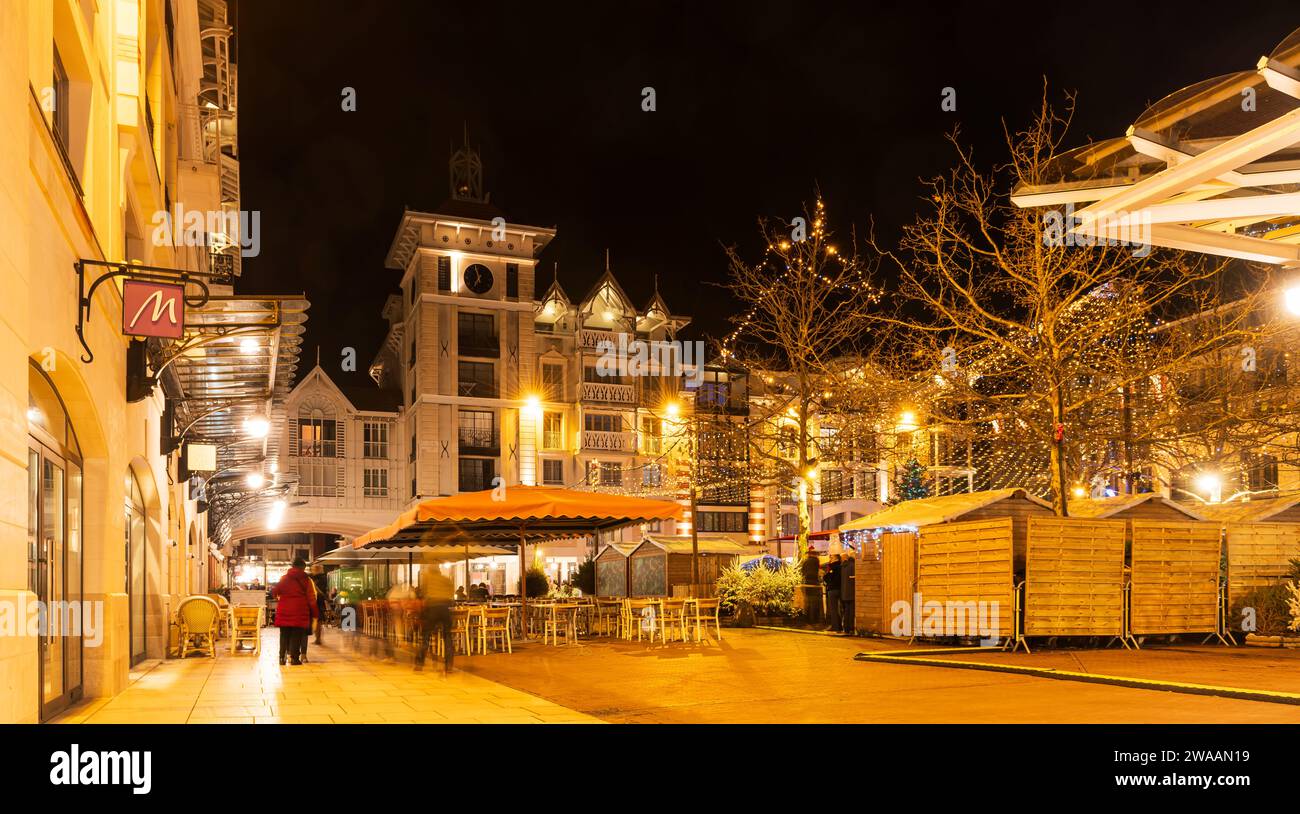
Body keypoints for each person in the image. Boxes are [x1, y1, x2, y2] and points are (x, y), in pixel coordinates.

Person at [272, 558, 318, 666]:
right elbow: (311, 598)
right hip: (299, 611)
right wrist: (315, 613)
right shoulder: (306, 579)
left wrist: (280, 598)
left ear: (292, 566)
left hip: (284, 611)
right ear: (303, 567)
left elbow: (274, 591)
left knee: (284, 635)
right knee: (296, 635)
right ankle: (294, 659)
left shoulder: (284, 578)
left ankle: (282, 658)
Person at [415, 568, 456, 673]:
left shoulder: (428, 580)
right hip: (445, 609)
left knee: (426, 636)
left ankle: (419, 664)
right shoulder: (447, 580)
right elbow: (452, 596)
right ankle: (449, 665)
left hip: (433, 608)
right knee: (447, 636)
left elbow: (423, 595)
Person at [799, 549, 822, 626]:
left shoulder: (806, 561)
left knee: (808, 602)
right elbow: (818, 572)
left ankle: (807, 619)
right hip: (815, 583)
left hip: (807, 583)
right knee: (814, 602)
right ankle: (814, 620)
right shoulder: (816, 561)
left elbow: (802, 571)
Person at [824, 553, 843, 632]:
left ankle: (835, 626)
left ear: (836, 558)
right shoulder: (840, 567)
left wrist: (826, 577)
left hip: (833, 589)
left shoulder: (834, 567)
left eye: (832, 557)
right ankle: (838, 626)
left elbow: (828, 578)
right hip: (838, 589)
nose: (830, 558)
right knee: (837, 609)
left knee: (833, 609)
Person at [311, 569, 329, 646]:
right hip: (319, 602)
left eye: (315, 568)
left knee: (318, 621)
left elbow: (320, 592)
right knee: (318, 621)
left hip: (317, 602)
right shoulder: (322, 578)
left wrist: (314, 585)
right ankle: (318, 639)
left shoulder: (320, 579)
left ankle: (318, 639)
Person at [840, 548, 856, 635]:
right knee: (851, 612)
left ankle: (846, 628)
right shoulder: (853, 566)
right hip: (852, 592)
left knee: (846, 611)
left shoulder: (842, 567)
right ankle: (851, 628)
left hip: (844, 593)